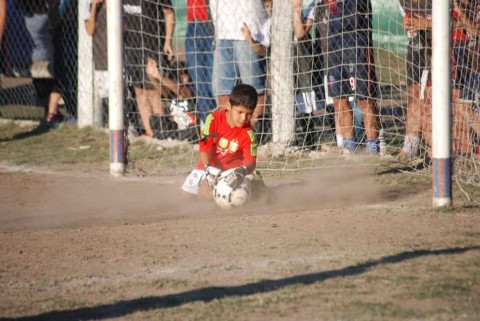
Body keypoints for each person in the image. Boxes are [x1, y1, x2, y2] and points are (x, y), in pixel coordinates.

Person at [181, 84, 259, 202]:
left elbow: (251, 163)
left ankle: (256, 185)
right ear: (228, 106)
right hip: (209, 167)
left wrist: (242, 171)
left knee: (208, 194)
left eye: (249, 114)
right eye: (240, 112)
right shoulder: (212, 119)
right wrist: (208, 169)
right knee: (184, 198)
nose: (244, 118)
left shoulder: (248, 134)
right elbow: (204, 148)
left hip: (233, 172)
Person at [322, 0, 379, 154]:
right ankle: (349, 148)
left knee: (365, 99)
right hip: (334, 45)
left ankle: (373, 148)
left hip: (357, 44)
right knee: (339, 99)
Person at [209, 0, 268, 130]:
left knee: (254, 89)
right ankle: (230, 132)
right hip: (222, 32)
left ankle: (257, 132)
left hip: (249, 30)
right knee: (221, 91)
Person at [123, 0, 175, 137]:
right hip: (132, 46)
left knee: (153, 91)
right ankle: (149, 131)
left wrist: (168, 41)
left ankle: (161, 130)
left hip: (153, 45)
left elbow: (169, 14)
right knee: (139, 90)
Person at [15, 0, 63, 127]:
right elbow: (56, 20)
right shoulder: (44, 18)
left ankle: (49, 112)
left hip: (27, 59)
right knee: (58, 79)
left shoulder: (22, 17)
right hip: (45, 59)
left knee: (42, 83)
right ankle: (52, 112)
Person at [398, 0, 432, 157]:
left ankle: (433, 146)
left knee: (429, 101)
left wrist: (428, 23)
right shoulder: (404, 2)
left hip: (438, 49)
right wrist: (407, 24)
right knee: (414, 97)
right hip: (416, 49)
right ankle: (410, 148)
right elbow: (409, 20)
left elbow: (456, 21)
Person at [185, 0, 216, 123]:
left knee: (213, 81)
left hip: (214, 23)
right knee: (199, 81)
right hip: (194, 23)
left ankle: (221, 122)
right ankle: (208, 124)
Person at [84, 0, 109, 101]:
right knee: (107, 96)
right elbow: (90, 30)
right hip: (101, 57)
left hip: (121, 57)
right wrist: (94, 5)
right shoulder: (88, 4)